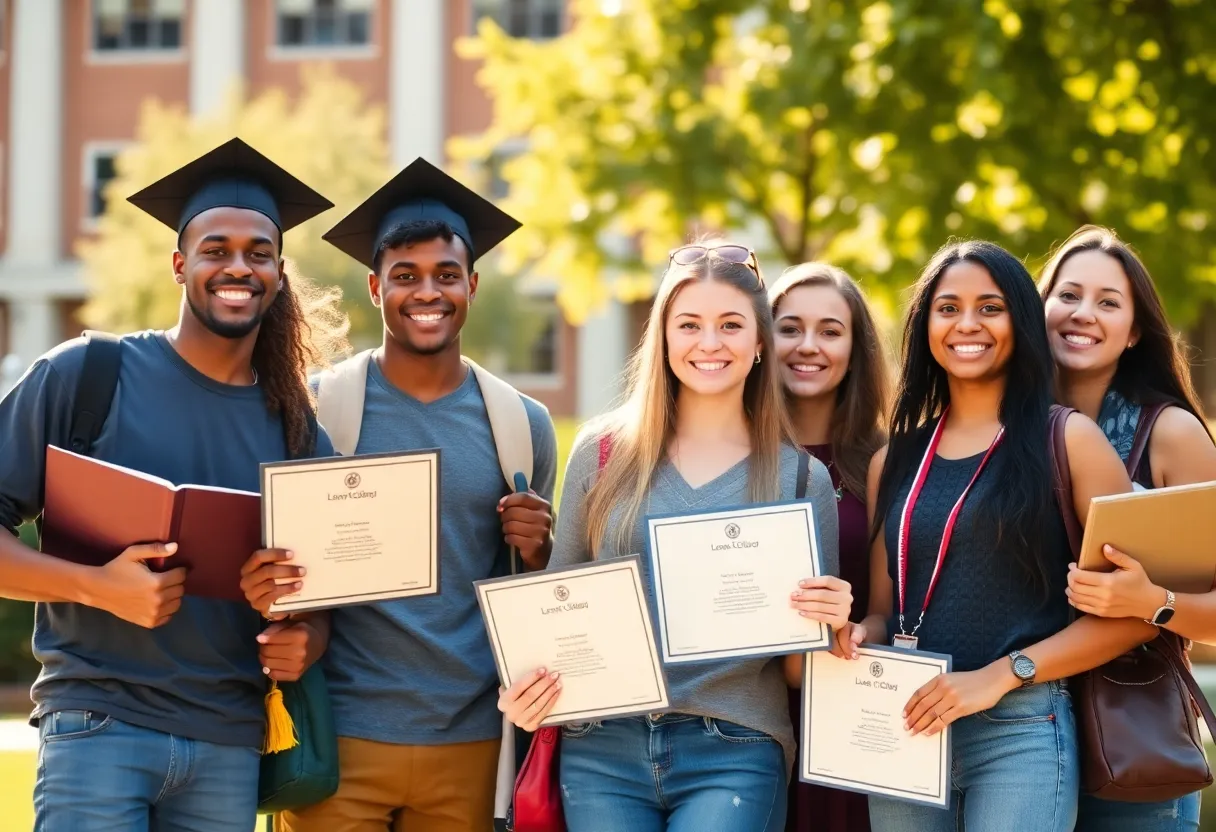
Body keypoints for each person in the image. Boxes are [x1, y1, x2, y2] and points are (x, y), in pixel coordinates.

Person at [0, 138, 345, 831]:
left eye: (259, 253)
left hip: (227, 743)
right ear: (181, 264)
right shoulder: (87, 376)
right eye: (217, 250)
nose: (238, 266)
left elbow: (323, 598)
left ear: (278, 274)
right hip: (99, 726)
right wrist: (97, 586)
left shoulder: (297, 430)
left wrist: (303, 637)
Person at [240, 158, 559, 832]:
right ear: (374, 286)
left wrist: (538, 555)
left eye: (447, 275)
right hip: (341, 740)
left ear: (471, 284)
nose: (428, 292)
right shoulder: (320, 409)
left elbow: (541, 599)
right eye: (406, 276)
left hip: (471, 743)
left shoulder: (520, 425)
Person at [498, 241, 852, 832]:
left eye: (731, 325)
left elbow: (797, 671)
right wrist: (527, 690)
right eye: (689, 324)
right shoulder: (603, 450)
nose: (709, 343)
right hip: (601, 748)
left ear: (761, 342)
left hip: (735, 748)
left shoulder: (800, 478)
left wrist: (831, 622)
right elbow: (559, 605)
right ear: (662, 337)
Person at [835, 240, 1159, 832]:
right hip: (904, 725)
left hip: (1020, 731)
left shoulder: (1071, 441)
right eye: (948, 307)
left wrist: (999, 677)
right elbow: (888, 613)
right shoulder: (894, 459)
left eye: (990, 307)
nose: (967, 324)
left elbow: (1136, 615)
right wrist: (860, 634)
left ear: (1021, 321)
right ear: (924, 326)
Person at [1039, 225, 1216, 832]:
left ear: (1135, 331)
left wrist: (1154, 603)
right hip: (1012, 745)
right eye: (1068, 295)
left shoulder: (1171, 435)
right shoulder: (997, 429)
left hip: (1128, 746)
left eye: (1108, 302)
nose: (1083, 314)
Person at [769, 263, 888, 832]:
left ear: (855, 347)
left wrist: (864, 629)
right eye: (788, 328)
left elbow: (899, 603)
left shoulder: (891, 460)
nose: (807, 346)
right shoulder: (728, 455)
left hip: (853, 706)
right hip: (746, 715)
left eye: (830, 331)